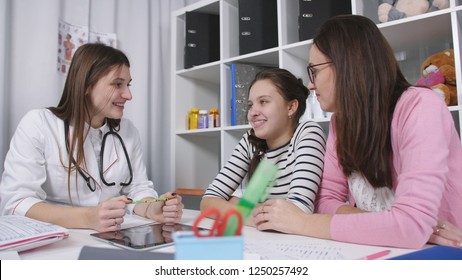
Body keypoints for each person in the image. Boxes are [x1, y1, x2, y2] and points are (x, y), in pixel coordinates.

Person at [253, 15, 462, 249]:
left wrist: (302, 222)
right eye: (251, 105)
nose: (311, 85)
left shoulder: (421, 107)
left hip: (439, 253)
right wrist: (387, 225)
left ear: (347, 65)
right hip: (378, 248)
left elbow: (410, 227)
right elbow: (324, 201)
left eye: (315, 71)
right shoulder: (339, 123)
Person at [0, 43, 183, 232]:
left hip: (110, 236)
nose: (128, 95)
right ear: (87, 84)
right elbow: (16, 202)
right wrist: (87, 218)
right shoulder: (38, 124)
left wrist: (152, 208)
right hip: (56, 239)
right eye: (117, 84)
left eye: (128, 85)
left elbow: (138, 190)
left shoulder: (128, 132)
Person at [201, 68, 326, 225]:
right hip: (263, 239)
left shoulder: (307, 132)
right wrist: (256, 213)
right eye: (250, 105)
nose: (253, 112)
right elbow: (208, 202)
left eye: (264, 102)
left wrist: (237, 204)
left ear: (291, 107)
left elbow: (297, 211)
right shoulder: (250, 140)